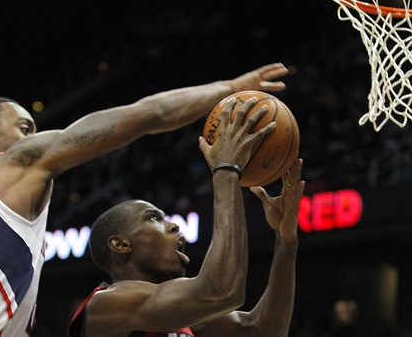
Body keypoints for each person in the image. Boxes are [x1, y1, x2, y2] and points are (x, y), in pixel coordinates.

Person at [0, 63, 289, 337]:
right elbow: (145, 115)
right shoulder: (10, 164)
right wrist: (231, 87)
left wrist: (287, 240)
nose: (36, 137)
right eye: (24, 129)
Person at [68, 96, 304, 337]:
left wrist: (286, 240)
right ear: (120, 244)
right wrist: (226, 169)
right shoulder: (105, 306)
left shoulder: (178, 311)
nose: (174, 226)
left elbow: (263, 331)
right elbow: (222, 291)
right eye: (154, 218)